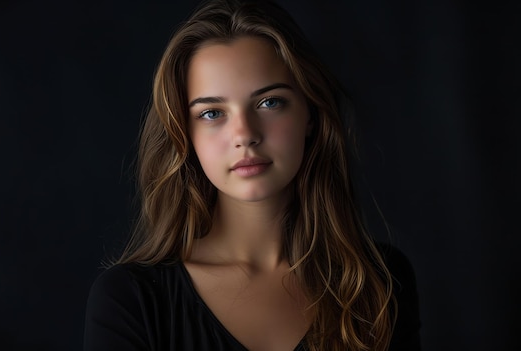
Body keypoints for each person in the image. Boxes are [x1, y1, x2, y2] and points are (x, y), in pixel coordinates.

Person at [83, 0, 421, 350]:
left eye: (269, 102)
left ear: (310, 113)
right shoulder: (131, 300)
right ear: (184, 133)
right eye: (213, 113)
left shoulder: (380, 281)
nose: (244, 135)